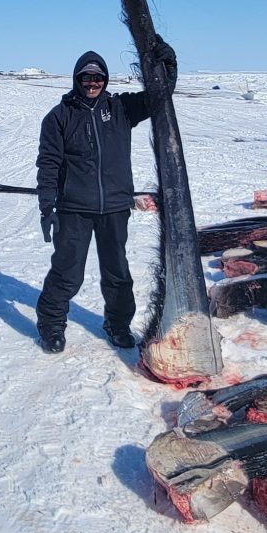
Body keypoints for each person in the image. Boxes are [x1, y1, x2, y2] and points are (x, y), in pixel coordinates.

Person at [35, 38, 177, 354]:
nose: (92, 83)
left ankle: (117, 325)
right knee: (67, 274)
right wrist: (48, 208)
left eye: (98, 77)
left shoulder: (120, 109)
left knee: (117, 273)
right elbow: (48, 165)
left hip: (115, 208)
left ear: (105, 79)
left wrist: (168, 66)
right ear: (77, 79)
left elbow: (158, 97)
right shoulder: (59, 117)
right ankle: (51, 327)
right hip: (74, 210)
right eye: (86, 77)